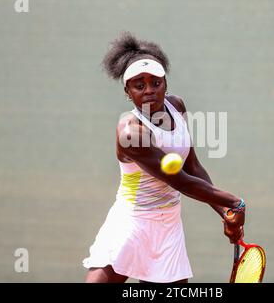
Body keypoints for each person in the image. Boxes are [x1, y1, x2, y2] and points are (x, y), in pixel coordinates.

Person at [83, 32, 245, 283]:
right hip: (132, 224)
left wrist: (225, 212)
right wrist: (234, 202)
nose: (149, 91)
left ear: (166, 84)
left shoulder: (176, 106)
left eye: (155, 83)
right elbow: (180, 180)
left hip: (168, 226)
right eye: (139, 85)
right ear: (127, 92)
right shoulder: (131, 132)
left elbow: (193, 168)